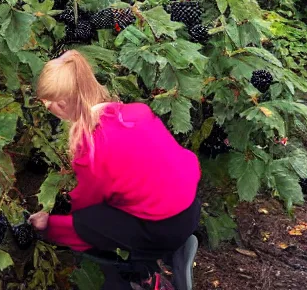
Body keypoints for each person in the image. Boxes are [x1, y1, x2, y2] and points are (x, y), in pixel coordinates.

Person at [29, 50, 201, 289]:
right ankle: (173, 252)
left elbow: (88, 211)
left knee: (88, 224)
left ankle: (145, 278)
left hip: (163, 228)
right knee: (131, 204)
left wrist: (51, 225)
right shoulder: (136, 112)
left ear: (61, 104)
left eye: (47, 104)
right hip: (190, 207)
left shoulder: (90, 148)